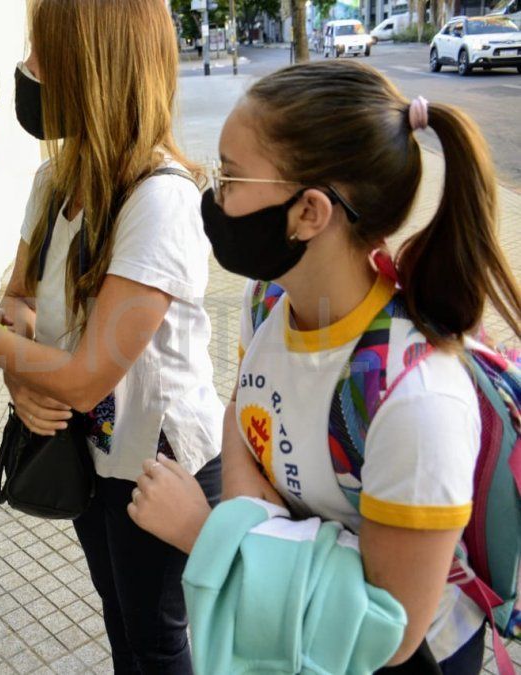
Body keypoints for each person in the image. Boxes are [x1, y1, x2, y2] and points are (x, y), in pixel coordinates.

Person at [128, 60, 521, 674]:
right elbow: (244, 417)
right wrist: (262, 524)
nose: (212, 187)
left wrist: (210, 536)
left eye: (230, 173)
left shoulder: (412, 395)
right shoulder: (271, 299)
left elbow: (382, 630)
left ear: (309, 212)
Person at [0, 0, 223, 671]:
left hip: (156, 462)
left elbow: (84, 374)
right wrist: (22, 379)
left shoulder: (159, 200)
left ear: (91, 67)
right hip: (90, 448)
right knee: (117, 613)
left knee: (155, 637)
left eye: (40, 51)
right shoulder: (56, 181)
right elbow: (15, 298)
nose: (27, 68)